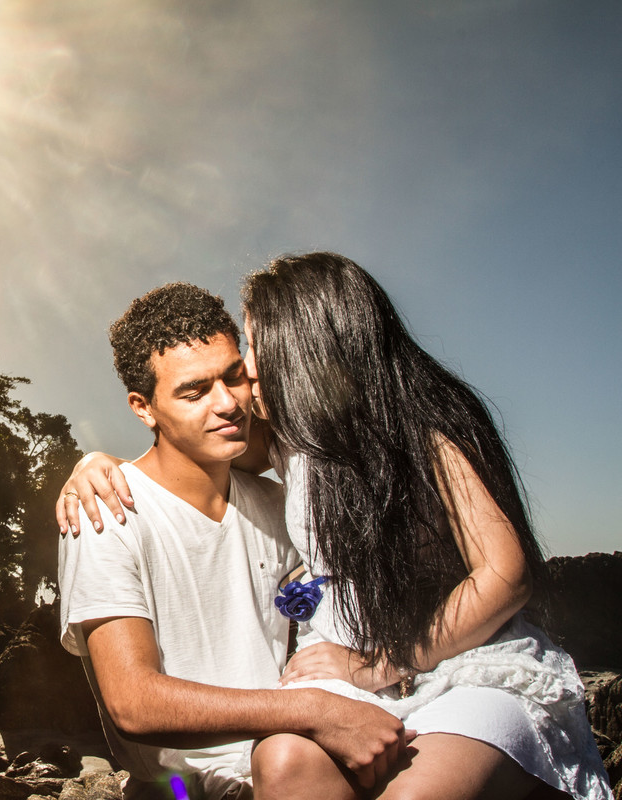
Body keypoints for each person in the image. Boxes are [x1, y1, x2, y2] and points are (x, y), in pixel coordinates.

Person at [59, 252, 611, 800]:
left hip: (431, 660)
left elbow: (505, 574)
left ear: (307, 344)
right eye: (201, 386)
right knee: (283, 758)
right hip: (324, 689)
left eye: (248, 357)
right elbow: (185, 460)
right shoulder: (267, 442)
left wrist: (379, 666)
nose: (240, 385)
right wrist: (91, 463)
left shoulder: (412, 432)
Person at [57, 281, 414, 800]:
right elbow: (133, 703)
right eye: (194, 391)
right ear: (143, 407)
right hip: (189, 789)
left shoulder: (279, 507)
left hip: (301, 762)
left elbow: (326, 623)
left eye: (234, 377)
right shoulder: (104, 510)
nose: (228, 403)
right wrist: (318, 714)